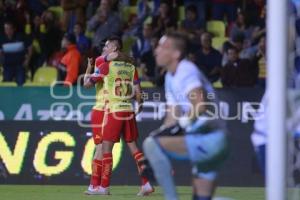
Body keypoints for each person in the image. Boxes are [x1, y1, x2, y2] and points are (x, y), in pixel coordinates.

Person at [142, 32, 229, 200]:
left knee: (151, 144)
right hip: (211, 139)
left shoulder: (185, 70)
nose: (156, 51)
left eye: (162, 47)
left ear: (176, 53)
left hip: (210, 138)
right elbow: (172, 116)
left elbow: (200, 105)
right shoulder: (169, 76)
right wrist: (160, 133)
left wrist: (177, 127)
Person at [83, 36, 154, 196]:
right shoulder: (131, 67)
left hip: (108, 109)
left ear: (114, 48)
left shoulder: (104, 64)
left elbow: (86, 84)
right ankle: (146, 183)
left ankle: (100, 186)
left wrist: (88, 69)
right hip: (127, 109)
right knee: (134, 147)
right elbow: (138, 92)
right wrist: (140, 105)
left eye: (107, 46)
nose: (104, 49)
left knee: (103, 148)